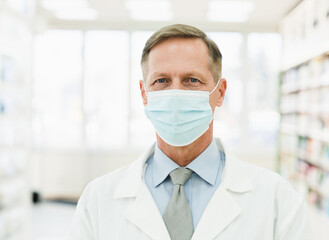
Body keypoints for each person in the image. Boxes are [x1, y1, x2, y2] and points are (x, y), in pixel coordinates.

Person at [70, 24, 312, 240]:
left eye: (192, 80)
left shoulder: (276, 199)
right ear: (144, 94)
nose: (176, 92)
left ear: (220, 92)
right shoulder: (98, 200)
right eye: (161, 81)